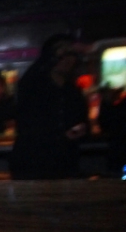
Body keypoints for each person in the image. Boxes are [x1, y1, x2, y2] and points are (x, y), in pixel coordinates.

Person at [10, 35, 90, 179]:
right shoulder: (33, 86)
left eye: (71, 54)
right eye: (62, 53)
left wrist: (81, 130)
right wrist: (60, 136)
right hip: (33, 163)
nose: (67, 59)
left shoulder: (73, 91)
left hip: (65, 162)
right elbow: (29, 125)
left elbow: (82, 120)